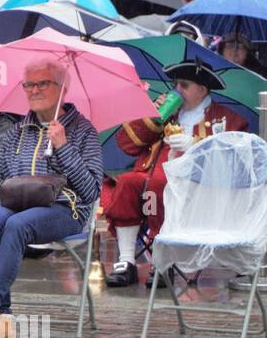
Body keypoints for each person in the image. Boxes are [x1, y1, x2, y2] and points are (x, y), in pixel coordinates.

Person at [0, 59, 103, 338]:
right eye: (30, 84)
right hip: (16, 204)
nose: (35, 90)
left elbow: (90, 191)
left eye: (43, 83)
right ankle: (2, 318)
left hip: (65, 211)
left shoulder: (83, 130)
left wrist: (64, 147)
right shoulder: (17, 131)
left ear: (62, 89)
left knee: (17, 224)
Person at [104, 60, 247, 287]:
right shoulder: (168, 112)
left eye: (184, 85)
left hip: (199, 187)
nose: (176, 90)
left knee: (160, 185)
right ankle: (126, 261)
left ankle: (164, 261)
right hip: (153, 175)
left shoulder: (225, 117)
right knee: (128, 182)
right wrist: (154, 115)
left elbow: (233, 157)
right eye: (175, 85)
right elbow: (127, 144)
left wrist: (195, 144)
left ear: (202, 90)